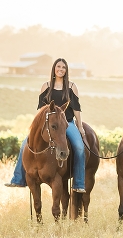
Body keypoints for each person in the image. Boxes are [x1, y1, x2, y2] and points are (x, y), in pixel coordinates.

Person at [5, 58, 87, 193]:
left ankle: (78, 183)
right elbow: (41, 110)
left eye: (63, 67)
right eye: (58, 66)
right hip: (49, 125)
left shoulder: (72, 87)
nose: (61, 69)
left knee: (79, 147)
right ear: (54, 69)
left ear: (66, 70)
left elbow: (76, 109)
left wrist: (80, 126)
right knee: (25, 144)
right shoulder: (46, 86)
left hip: (67, 123)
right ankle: (18, 179)